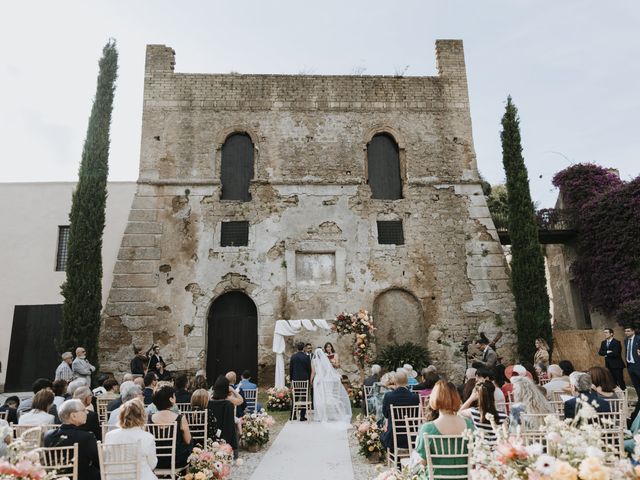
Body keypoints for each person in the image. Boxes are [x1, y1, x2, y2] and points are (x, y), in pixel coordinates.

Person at [415, 380, 474, 477]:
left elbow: (423, 461)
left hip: (437, 477)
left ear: (434, 398)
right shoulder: (468, 425)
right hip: (463, 477)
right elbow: (475, 454)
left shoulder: (427, 428)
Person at [44, 399, 100, 480]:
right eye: (84, 410)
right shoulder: (86, 437)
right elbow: (98, 461)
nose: (87, 413)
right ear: (73, 416)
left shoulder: (48, 435)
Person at [105, 399, 158, 480]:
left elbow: (107, 461)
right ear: (141, 416)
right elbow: (152, 464)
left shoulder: (109, 436)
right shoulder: (147, 437)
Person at [148, 385, 193, 469]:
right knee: (190, 441)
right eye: (174, 395)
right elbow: (187, 441)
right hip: (177, 461)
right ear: (171, 399)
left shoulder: (149, 418)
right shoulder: (180, 418)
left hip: (155, 461)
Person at [310, 347, 352, 424]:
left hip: (317, 380)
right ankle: (326, 414)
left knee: (317, 398)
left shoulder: (314, 361)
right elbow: (328, 371)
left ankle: (319, 415)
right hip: (323, 380)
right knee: (324, 397)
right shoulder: (324, 360)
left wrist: (311, 380)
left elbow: (313, 372)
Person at [380, 370, 419, 451]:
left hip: (393, 437)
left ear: (395, 381)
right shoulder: (415, 397)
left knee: (382, 433)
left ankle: (394, 456)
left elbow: (385, 414)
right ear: (407, 381)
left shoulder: (388, 396)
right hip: (412, 437)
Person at [460, 381, 507, 446]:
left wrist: (471, 398)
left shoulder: (474, 412)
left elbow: (460, 413)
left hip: (480, 451)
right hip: (498, 452)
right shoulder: (503, 416)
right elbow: (506, 437)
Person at [209, 376, 239, 455]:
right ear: (226, 388)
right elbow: (230, 426)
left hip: (212, 434)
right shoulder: (228, 404)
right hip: (225, 437)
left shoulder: (209, 402)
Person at [289, 341, 312, 421]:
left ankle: (292, 415)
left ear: (297, 348)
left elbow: (291, 369)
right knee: (304, 397)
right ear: (304, 348)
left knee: (295, 398)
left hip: (295, 380)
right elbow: (309, 369)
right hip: (305, 380)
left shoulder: (293, 357)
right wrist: (309, 380)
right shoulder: (306, 357)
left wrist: (291, 380)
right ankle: (302, 416)